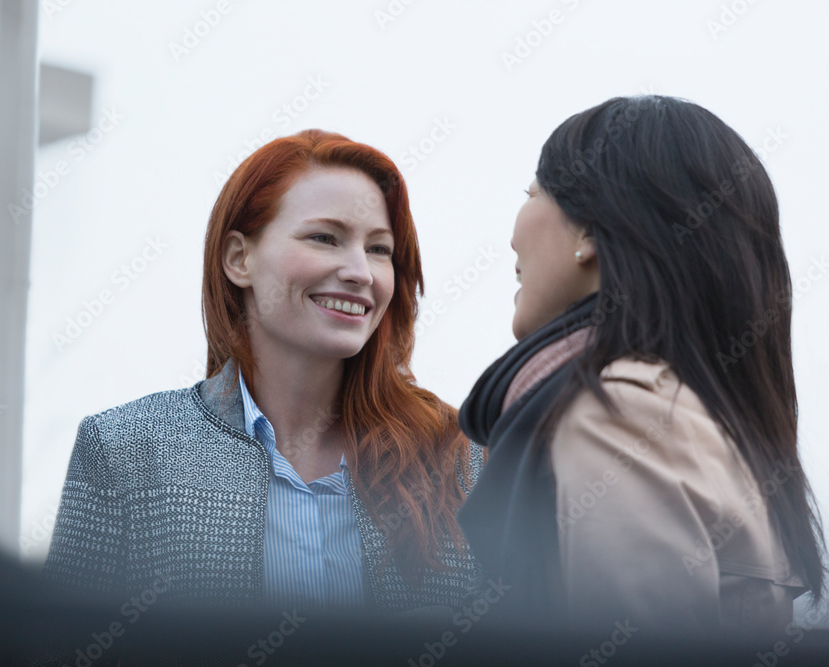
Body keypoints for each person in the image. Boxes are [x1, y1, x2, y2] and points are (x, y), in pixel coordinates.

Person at [44, 129, 481, 614]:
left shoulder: (462, 457)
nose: (361, 271)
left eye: (380, 249)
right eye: (324, 238)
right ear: (239, 259)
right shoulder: (126, 450)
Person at [456, 95, 826, 638]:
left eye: (532, 193)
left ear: (589, 233)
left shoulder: (620, 408)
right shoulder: (691, 408)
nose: (513, 235)